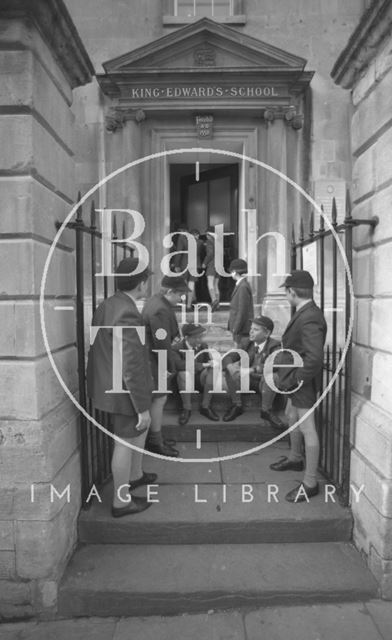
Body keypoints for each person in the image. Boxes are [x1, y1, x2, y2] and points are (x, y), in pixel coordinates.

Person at [86, 257, 156, 518]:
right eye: (147, 278)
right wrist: (142, 407)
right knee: (125, 441)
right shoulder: (126, 311)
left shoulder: (110, 304)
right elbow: (131, 364)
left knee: (133, 436)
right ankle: (121, 501)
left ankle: (135, 476)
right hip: (123, 389)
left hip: (108, 383)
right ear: (141, 283)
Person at [270, 270, 327, 503]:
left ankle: (310, 482)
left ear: (292, 292)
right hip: (294, 381)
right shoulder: (305, 312)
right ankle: (295, 458)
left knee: (307, 427)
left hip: (300, 382)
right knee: (291, 416)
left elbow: (314, 358)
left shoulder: (310, 316)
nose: (286, 295)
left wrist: (295, 380)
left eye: (287, 291)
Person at [142, 275, 190, 457]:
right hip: (154, 361)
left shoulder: (156, 302)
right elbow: (161, 344)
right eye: (180, 294)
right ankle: (155, 442)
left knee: (157, 400)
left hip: (152, 358)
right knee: (159, 400)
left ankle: (154, 438)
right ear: (170, 291)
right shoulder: (160, 309)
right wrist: (170, 367)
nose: (182, 298)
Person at [223, 315, 284, 427]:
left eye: (255, 330)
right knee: (229, 370)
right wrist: (230, 366)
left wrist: (253, 369)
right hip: (248, 381)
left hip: (263, 383)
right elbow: (229, 356)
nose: (251, 332)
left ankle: (266, 411)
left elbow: (276, 364)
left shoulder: (275, 345)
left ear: (267, 333)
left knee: (273, 376)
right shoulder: (247, 342)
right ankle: (237, 405)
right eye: (251, 328)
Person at [173, 323, 218, 425]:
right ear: (187, 337)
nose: (200, 340)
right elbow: (179, 365)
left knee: (213, 370)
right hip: (183, 382)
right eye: (197, 337)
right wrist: (203, 364)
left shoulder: (203, 346)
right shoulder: (176, 348)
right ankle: (186, 409)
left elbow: (208, 362)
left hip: (198, 379)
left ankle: (205, 407)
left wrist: (212, 363)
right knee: (184, 373)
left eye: (201, 337)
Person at [227, 258, 254, 350]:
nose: (231, 274)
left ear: (235, 272)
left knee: (240, 354)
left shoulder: (243, 286)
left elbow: (242, 310)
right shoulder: (241, 285)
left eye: (231, 271)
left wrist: (236, 328)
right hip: (239, 329)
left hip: (242, 330)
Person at [202, 225, 220, 311]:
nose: (206, 236)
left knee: (210, 283)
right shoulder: (219, 241)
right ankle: (218, 303)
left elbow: (210, 254)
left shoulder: (209, 242)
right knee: (216, 285)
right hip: (219, 265)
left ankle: (214, 301)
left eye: (206, 234)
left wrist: (205, 263)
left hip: (212, 264)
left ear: (209, 234)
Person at [186, 228, 204, 309]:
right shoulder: (200, 242)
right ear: (195, 235)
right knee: (192, 284)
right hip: (195, 264)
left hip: (187, 264)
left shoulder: (187, 242)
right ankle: (190, 302)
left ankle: (193, 299)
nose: (198, 236)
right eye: (197, 235)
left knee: (189, 284)